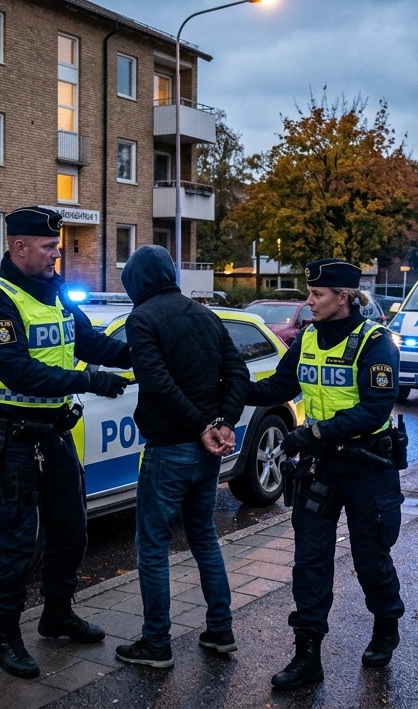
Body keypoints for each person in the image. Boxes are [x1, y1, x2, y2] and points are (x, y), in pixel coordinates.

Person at [0, 206, 132, 679]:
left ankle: (57, 613)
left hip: (54, 433)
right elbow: (17, 369)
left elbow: (92, 343)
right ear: (18, 247)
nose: (57, 253)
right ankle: (6, 637)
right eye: (48, 247)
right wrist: (88, 381)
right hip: (11, 437)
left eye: (56, 246)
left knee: (72, 530)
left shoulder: (54, 295)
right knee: (16, 540)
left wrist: (144, 349)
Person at [245, 258, 406, 691]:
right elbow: (280, 386)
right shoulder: (309, 338)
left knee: (370, 559)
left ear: (345, 297)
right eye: (309, 293)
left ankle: (386, 625)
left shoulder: (376, 343)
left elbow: (374, 408)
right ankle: (307, 655)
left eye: (317, 295)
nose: (309, 302)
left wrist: (312, 432)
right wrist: (233, 387)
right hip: (321, 465)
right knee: (309, 562)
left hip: (367, 466)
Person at [114, 245, 249, 669]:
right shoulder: (205, 315)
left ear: (136, 282)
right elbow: (238, 373)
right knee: (203, 535)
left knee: (152, 545)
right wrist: (223, 423)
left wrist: (201, 427)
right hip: (206, 451)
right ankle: (220, 630)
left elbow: (156, 383)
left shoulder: (142, 318)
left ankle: (156, 643)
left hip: (170, 448)